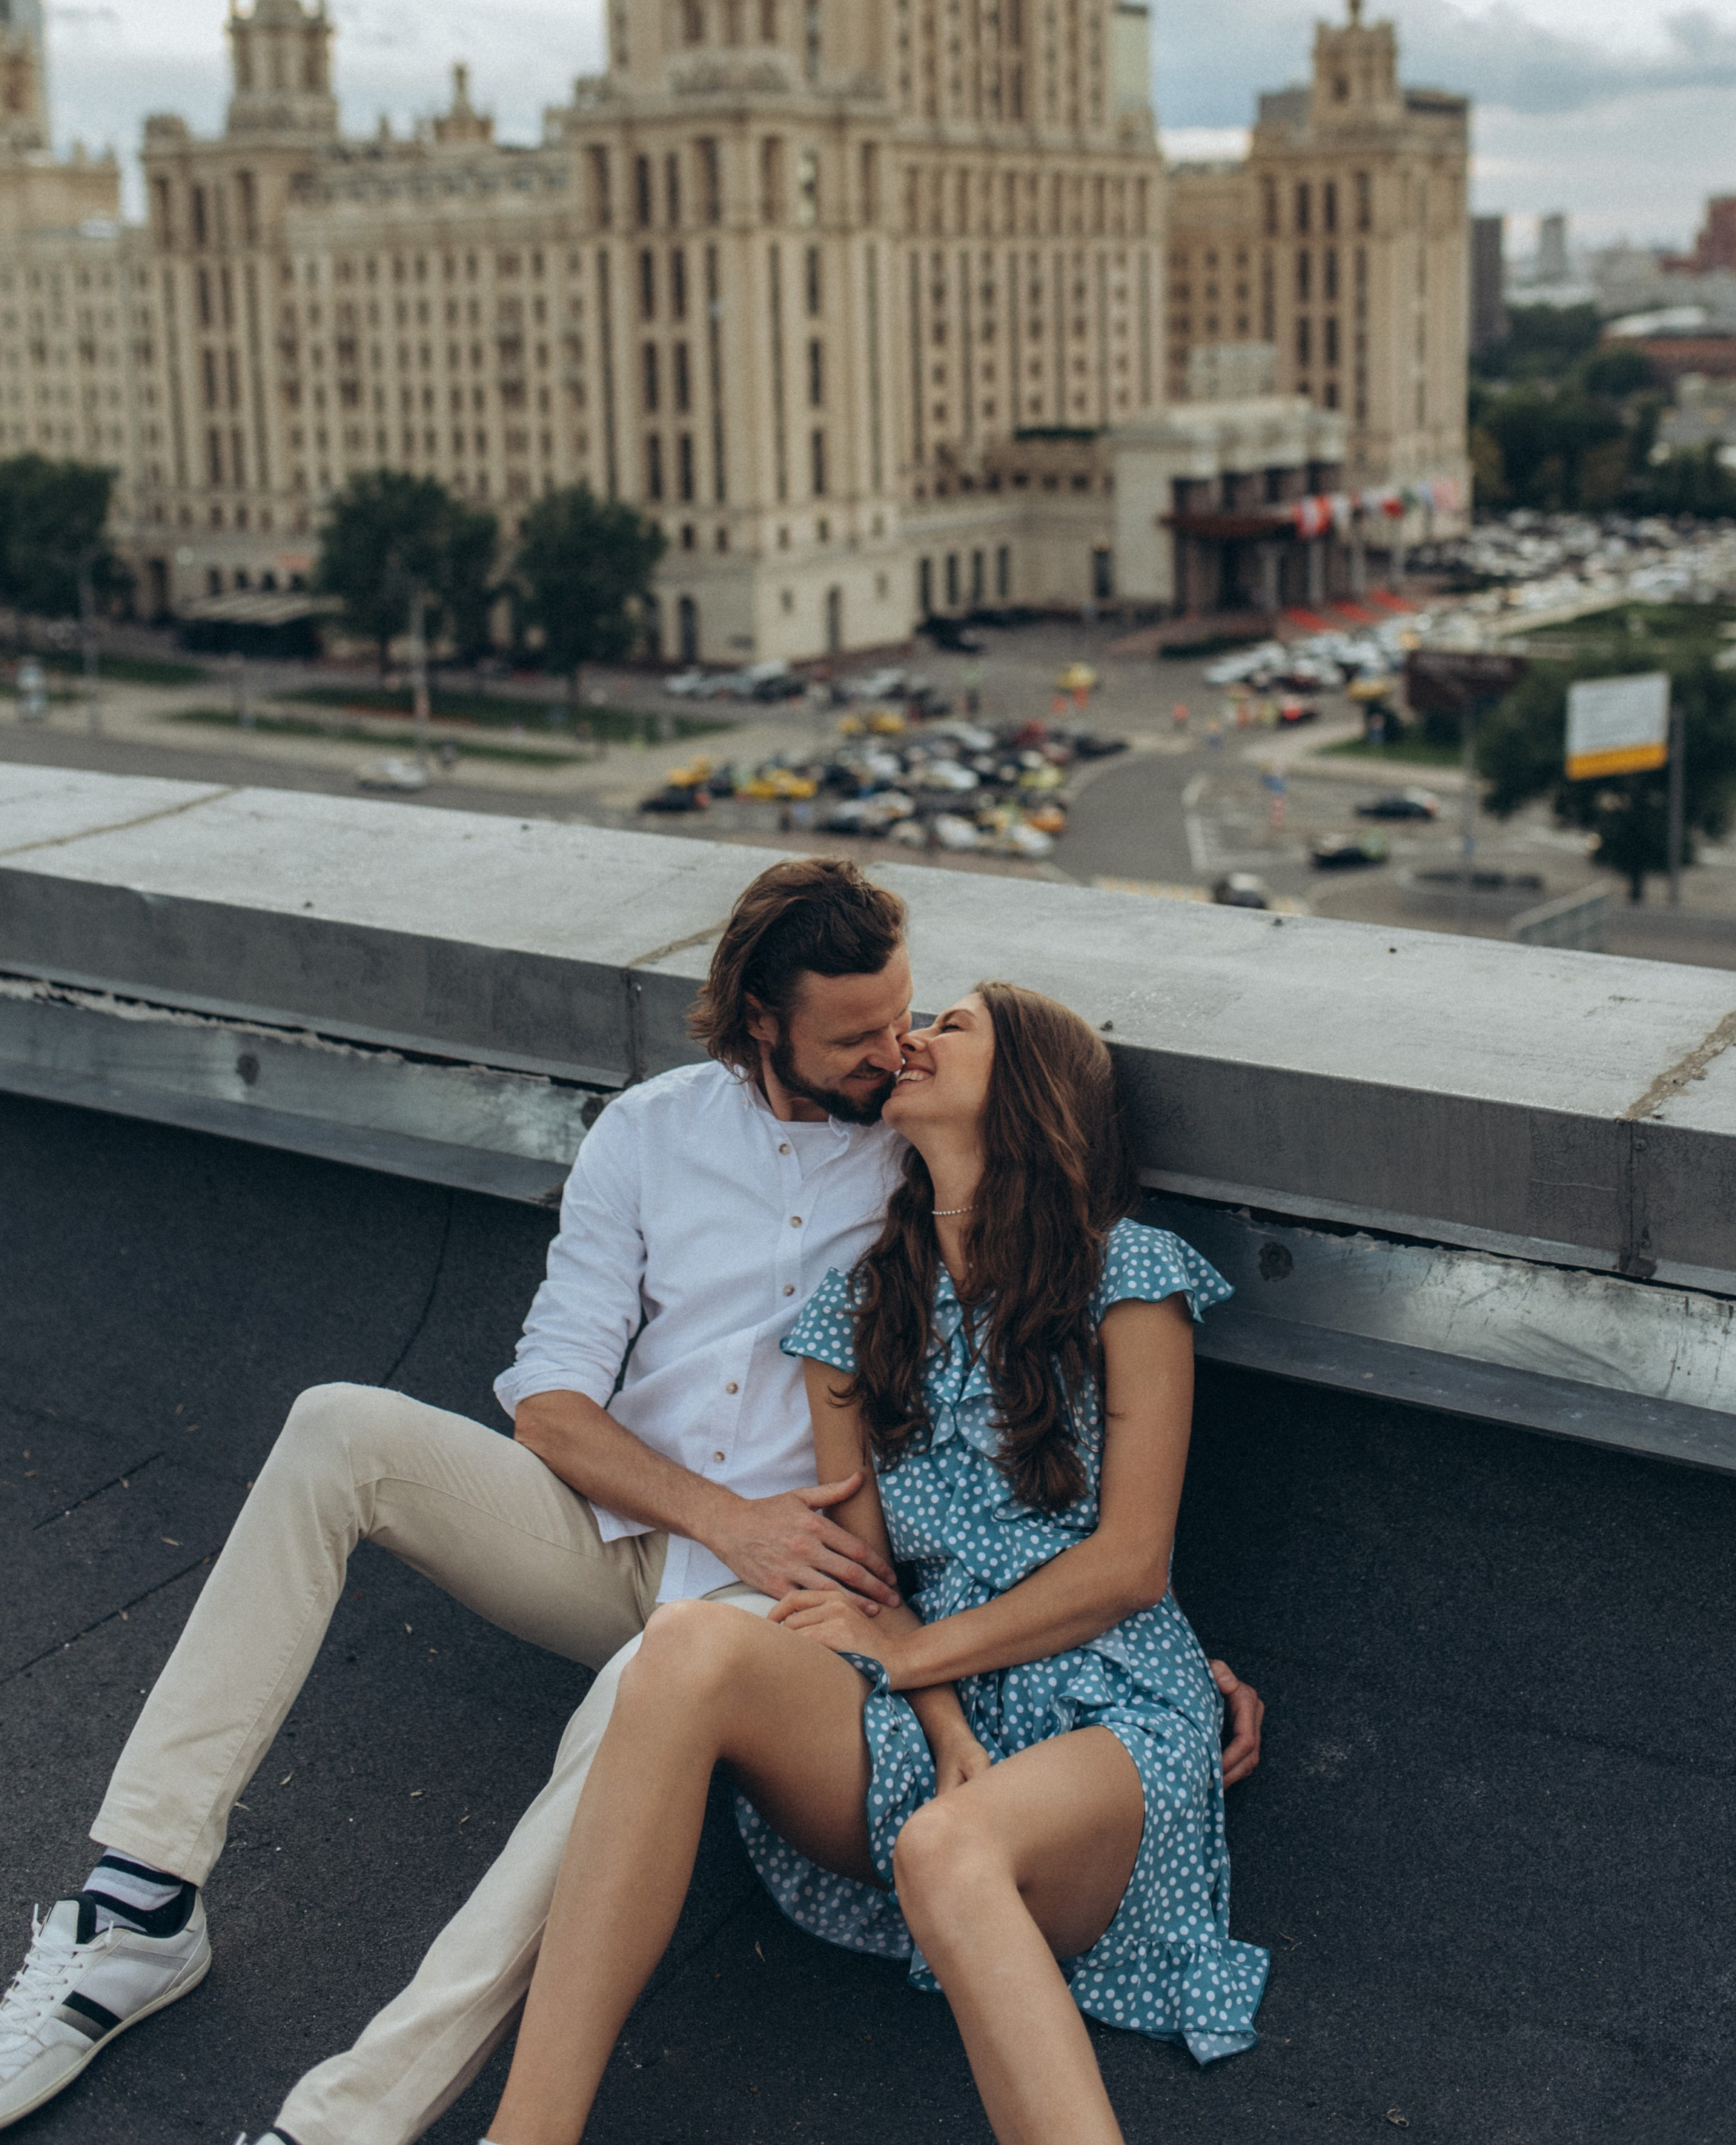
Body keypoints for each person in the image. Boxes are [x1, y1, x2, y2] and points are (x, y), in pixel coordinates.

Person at [0, 865, 1261, 2145]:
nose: (893, 1051)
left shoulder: (922, 1141)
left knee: (671, 1665)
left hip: (789, 1605)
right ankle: (138, 1904)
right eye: (857, 1037)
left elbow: (1083, 1445)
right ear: (763, 1023)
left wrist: (1138, 1651)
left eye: (910, 1018)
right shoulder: (651, 1133)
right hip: (636, 1536)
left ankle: (345, 2125)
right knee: (341, 1426)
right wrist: (723, 1516)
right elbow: (548, 1403)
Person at [480, 983, 1268, 2145]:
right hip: (924, 1706)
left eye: (953, 1028)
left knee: (949, 1845)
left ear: (1031, 1092)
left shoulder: (1129, 1277)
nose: (917, 1040)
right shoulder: (857, 1310)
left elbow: (1131, 1568)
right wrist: (939, 1715)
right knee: (690, 1644)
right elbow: (867, 1584)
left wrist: (906, 1660)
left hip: (1107, 1703)